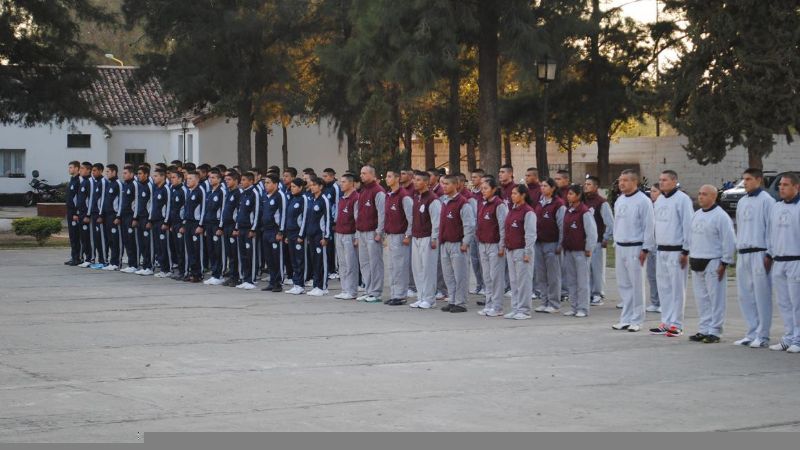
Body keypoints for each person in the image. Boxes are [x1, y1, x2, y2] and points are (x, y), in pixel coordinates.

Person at [687, 185, 735, 344]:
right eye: (699, 194)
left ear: (714, 197)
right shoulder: (696, 215)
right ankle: (704, 329)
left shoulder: (720, 216)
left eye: (705, 194)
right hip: (696, 260)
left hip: (713, 262)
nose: (700, 197)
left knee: (716, 299)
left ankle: (715, 331)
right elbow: (691, 237)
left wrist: (725, 262)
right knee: (702, 298)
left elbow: (729, 240)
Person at [734, 168, 776, 348]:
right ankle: (751, 332)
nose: (745, 183)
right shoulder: (742, 201)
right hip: (744, 253)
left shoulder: (767, 201)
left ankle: (763, 335)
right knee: (745, 295)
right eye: (744, 179)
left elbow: (772, 229)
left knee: (761, 295)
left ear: (759, 180)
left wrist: (770, 253)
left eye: (749, 179)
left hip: (760, 252)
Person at [650, 170, 694, 337]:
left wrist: (686, 249)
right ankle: (666, 321)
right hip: (661, 249)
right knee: (664, 288)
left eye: (665, 180)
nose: (661, 183)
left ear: (674, 181)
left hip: (677, 250)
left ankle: (677, 324)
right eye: (660, 180)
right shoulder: (660, 200)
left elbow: (687, 224)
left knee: (676, 288)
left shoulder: (682, 200)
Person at [612, 169, 655, 332]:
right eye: (620, 180)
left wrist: (646, 248)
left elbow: (649, 226)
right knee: (624, 285)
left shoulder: (643, 201)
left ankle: (637, 319)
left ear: (634, 182)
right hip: (621, 246)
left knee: (636, 284)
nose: (621, 183)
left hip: (636, 247)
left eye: (625, 180)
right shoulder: (620, 200)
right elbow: (617, 223)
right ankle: (625, 318)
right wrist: (616, 241)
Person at [767, 172, 800, 353]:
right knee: (784, 303)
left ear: (797, 187)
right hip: (779, 261)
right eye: (780, 185)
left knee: (797, 303)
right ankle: (788, 336)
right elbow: (772, 234)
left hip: (796, 260)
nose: (781, 187)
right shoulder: (776, 207)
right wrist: (770, 254)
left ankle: (799, 338)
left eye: (786, 185)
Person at [438, 175, 475, 313]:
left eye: (447, 184)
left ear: (455, 185)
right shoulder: (444, 202)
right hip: (445, 243)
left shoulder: (463, 203)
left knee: (460, 275)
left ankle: (461, 302)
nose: (444, 186)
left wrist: (465, 242)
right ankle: (452, 299)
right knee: (449, 275)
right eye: (443, 184)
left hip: (458, 244)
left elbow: (469, 225)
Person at [559, 184, 598, 317]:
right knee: (571, 280)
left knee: (582, 281)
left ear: (578, 196)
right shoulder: (568, 211)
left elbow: (591, 232)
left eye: (571, 194)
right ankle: (574, 306)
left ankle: (583, 308)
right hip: (569, 250)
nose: (568, 196)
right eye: (568, 194)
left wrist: (588, 248)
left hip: (581, 251)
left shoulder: (584, 212)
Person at [409, 171, 443, 310]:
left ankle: (429, 298)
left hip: (428, 238)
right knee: (417, 268)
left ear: (426, 182)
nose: (415, 182)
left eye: (418, 180)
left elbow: (437, 221)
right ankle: (421, 296)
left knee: (427, 269)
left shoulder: (433, 199)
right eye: (414, 180)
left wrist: (434, 237)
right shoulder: (417, 198)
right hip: (416, 237)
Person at [503, 184, 537, 319]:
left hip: (522, 250)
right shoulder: (512, 210)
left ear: (523, 195)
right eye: (512, 193)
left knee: (524, 281)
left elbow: (530, 234)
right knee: (514, 281)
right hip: (511, 249)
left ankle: (524, 309)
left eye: (515, 193)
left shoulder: (528, 212)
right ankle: (516, 307)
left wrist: (527, 252)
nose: (512, 196)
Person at [475, 177, 508, 316]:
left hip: (495, 245)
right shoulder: (483, 204)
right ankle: (489, 304)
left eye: (486, 188)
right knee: (487, 277)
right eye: (482, 189)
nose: (483, 191)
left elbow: (503, 227)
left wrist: (502, 246)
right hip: (483, 244)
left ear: (494, 189)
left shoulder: (499, 205)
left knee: (496, 277)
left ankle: (498, 306)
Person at [533, 178, 565, 313]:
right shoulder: (539, 203)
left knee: (553, 275)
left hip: (552, 243)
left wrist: (560, 244)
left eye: (545, 186)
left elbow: (562, 225)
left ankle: (554, 303)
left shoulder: (558, 204)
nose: (542, 188)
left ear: (552, 188)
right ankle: (544, 301)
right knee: (541, 274)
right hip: (539, 243)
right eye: (541, 186)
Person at [355, 165, 386, 303]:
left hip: (373, 233)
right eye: (361, 173)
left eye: (364, 173)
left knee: (375, 263)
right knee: (365, 263)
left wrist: (379, 232)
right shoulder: (362, 191)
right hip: (362, 232)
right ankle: (368, 290)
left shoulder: (378, 191)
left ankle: (376, 292)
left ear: (373, 175)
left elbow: (382, 213)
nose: (361, 176)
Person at [383, 170, 413, 305]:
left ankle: (401, 295)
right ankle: (394, 293)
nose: (387, 179)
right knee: (392, 266)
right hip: (391, 235)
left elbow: (411, 217)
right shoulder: (389, 196)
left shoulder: (404, 196)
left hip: (401, 235)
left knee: (400, 266)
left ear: (397, 179)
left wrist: (408, 234)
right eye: (387, 177)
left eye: (390, 177)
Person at [583, 176, 614, 306]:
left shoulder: (602, 203)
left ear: (595, 187)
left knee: (597, 269)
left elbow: (610, 222)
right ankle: (589, 292)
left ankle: (598, 293)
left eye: (589, 184)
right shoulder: (583, 201)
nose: (586, 186)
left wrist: (606, 238)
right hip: (585, 241)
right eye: (585, 184)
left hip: (597, 241)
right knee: (587, 269)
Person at [305, 176, 332, 296]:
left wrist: (326, 237)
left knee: (321, 261)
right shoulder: (311, 199)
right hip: (311, 235)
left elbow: (327, 219)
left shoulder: (324, 200)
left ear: (320, 187)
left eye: (314, 185)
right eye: (311, 185)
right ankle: (316, 285)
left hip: (320, 235)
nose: (311, 187)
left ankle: (323, 286)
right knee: (314, 260)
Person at [333, 173, 360, 300]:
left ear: (351, 183)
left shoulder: (356, 198)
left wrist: (357, 236)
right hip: (339, 233)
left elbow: (357, 219)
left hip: (350, 234)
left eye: (344, 182)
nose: (341, 184)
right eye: (341, 182)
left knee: (351, 264)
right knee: (342, 264)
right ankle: (344, 289)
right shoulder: (342, 198)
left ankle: (352, 290)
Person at [259, 174, 286, 292]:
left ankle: (278, 283)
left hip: (275, 231)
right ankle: (272, 281)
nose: (266, 185)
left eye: (268, 182)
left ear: (275, 184)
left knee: (276, 258)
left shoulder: (280, 196)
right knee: (269, 258)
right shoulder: (265, 196)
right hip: (266, 231)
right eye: (265, 183)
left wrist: (281, 231)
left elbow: (283, 214)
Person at [234, 172, 260, 290]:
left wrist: (253, 228)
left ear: (251, 181)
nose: (242, 182)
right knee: (243, 254)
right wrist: (237, 227)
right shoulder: (243, 194)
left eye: (244, 180)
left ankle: (252, 279)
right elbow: (239, 212)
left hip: (250, 229)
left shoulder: (254, 193)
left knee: (251, 255)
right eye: (241, 180)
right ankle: (245, 277)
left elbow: (257, 212)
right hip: (241, 228)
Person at [284, 178, 309, 295]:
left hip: (298, 234)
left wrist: (301, 234)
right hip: (290, 234)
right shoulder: (292, 199)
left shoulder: (303, 198)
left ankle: (301, 284)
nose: (292, 189)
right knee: (293, 260)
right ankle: (296, 283)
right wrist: (286, 234)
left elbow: (304, 218)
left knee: (300, 260)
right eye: (291, 187)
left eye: (294, 187)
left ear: (300, 187)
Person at [200, 169, 225, 285]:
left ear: (219, 179)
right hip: (208, 225)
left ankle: (219, 274)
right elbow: (206, 210)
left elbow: (223, 210)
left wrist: (220, 227)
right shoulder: (209, 193)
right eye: (210, 178)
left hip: (216, 225)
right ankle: (214, 273)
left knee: (217, 250)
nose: (211, 180)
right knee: (210, 250)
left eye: (214, 178)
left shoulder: (222, 192)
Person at [181, 171, 205, 283]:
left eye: (190, 178)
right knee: (189, 249)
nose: (187, 180)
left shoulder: (200, 191)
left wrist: (201, 225)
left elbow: (204, 208)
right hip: (188, 224)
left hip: (196, 224)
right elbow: (186, 209)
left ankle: (199, 274)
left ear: (196, 180)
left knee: (197, 250)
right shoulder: (189, 192)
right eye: (187, 178)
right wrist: (184, 223)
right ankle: (192, 272)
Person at [219, 171, 242, 286]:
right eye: (226, 180)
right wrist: (222, 226)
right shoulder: (229, 193)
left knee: (235, 253)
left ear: (236, 181)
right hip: (227, 226)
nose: (226, 182)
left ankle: (237, 276)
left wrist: (236, 228)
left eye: (229, 180)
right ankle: (232, 275)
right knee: (229, 253)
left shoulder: (238, 193)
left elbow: (239, 212)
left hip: (233, 227)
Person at [166, 170, 188, 280]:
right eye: (171, 177)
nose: (171, 179)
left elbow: (186, 208)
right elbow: (172, 208)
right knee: (176, 248)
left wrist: (183, 224)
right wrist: (170, 223)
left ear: (180, 179)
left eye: (174, 177)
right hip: (174, 224)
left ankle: (184, 271)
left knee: (182, 249)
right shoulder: (173, 190)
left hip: (180, 224)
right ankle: (180, 270)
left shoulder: (184, 190)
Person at [469, 169, 487, 297]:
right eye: (472, 177)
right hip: (473, 230)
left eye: (475, 177)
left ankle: (486, 286)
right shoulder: (471, 194)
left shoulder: (484, 194)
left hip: (482, 230)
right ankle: (479, 284)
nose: (473, 179)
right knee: (475, 259)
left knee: (482, 260)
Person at [149, 169, 170, 278]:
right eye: (154, 176)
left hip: (163, 222)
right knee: (158, 246)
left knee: (164, 246)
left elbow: (169, 206)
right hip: (155, 221)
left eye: (156, 176)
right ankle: (163, 268)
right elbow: (153, 206)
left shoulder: (166, 189)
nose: (154, 178)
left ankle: (167, 269)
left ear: (163, 177)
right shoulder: (156, 189)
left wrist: (166, 222)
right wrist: (150, 219)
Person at [100, 164, 122, 271]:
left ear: (114, 172)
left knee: (115, 240)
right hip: (107, 216)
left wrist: (118, 216)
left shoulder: (118, 184)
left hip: (114, 216)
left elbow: (121, 201)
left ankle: (116, 262)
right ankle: (111, 261)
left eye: (108, 171)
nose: (106, 173)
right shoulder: (109, 184)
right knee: (109, 239)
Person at [133, 165, 154, 276]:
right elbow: (137, 203)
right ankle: (145, 265)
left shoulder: (150, 186)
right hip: (140, 218)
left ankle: (149, 266)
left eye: (140, 174)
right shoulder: (139, 186)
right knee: (141, 243)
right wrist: (135, 217)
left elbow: (152, 204)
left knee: (147, 243)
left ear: (146, 174)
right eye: (138, 174)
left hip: (147, 218)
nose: (138, 176)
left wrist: (150, 219)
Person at [118, 165, 139, 273]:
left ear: (131, 174)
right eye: (123, 173)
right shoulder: (125, 185)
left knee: (132, 240)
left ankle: (134, 264)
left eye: (126, 173)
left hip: (131, 216)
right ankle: (131, 263)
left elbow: (137, 202)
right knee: (126, 240)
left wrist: (135, 217)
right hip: (124, 216)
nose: (124, 175)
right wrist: (119, 215)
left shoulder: (135, 185)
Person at [644, 183, 661, 312]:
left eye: (655, 191)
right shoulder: (650, 206)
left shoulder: (662, 206)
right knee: (651, 275)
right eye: (651, 191)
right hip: (651, 244)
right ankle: (655, 301)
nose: (652, 193)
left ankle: (662, 302)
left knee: (660, 275)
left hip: (661, 244)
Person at [88, 163, 107, 269]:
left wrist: (101, 214)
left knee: (101, 238)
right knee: (96, 238)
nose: (93, 172)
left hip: (100, 214)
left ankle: (104, 260)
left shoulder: (103, 182)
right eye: (92, 171)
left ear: (100, 171)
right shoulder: (95, 182)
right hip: (94, 213)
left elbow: (103, 199)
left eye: (94, 170)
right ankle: (99, 259)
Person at [76, 162, 93, 267]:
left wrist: (88, 215)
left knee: (88, 237)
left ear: (88, 170)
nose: (80, 170)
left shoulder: (89, 182)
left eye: (82, 168)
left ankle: (90, 258)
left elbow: (91, 200)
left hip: (86, 214)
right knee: (82, 237)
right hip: (81, 213)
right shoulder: (83, 182)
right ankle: (84, 257)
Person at [65, 161, 82, 266]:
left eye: (71, 167)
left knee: (76, 236)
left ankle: (78, 258)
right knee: (72, 236)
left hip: (75, 213)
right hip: (69, 212)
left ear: (77, 168)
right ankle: (73, 256)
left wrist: (76, 212)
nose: (69, 169)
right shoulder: (72, 180)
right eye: (69, 167)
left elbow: (79, 199)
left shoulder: (78, 181)